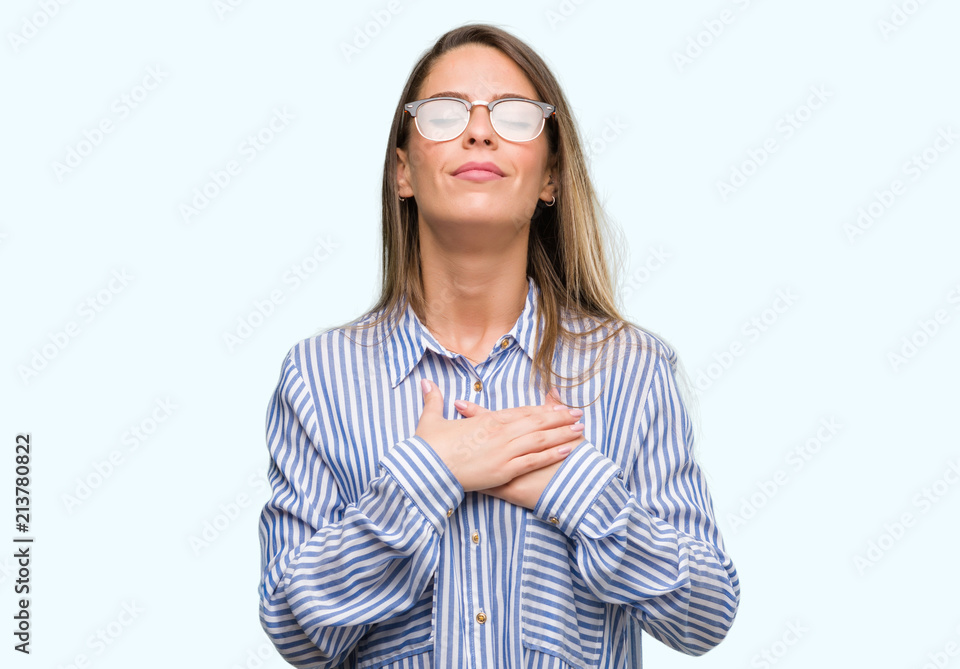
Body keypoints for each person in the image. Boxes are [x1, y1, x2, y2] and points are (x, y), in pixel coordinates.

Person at [257, 22, 739, 668]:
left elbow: (706, 614)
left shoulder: (635, 371)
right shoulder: (318, 378)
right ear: (403, 170)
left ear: (549, 178)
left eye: (513, 116)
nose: (479, 130)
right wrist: (429, 475)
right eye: (445, 113)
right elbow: (294, 629)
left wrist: (578, 488)